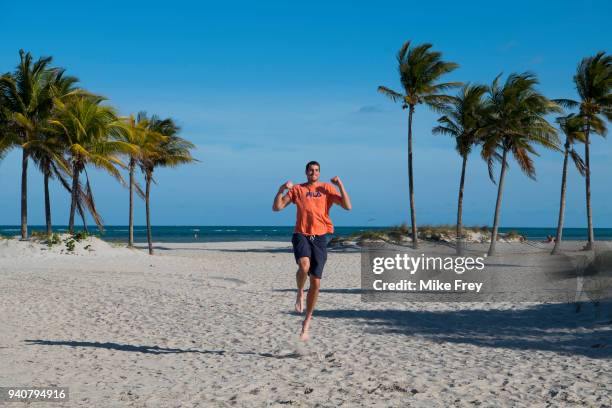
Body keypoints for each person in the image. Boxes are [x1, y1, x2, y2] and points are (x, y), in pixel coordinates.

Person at [272, 161, 352, 341]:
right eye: (310, 170)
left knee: (316, 283)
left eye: (316, 171)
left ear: (319, 173)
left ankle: (306, 323)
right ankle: (300, 291)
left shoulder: (326, 188)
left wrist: (340, 185)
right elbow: (277, 208)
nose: (313, 173)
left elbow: (347, 206)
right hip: (301, 234)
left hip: (320, 237)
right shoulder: (298, 190)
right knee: (304, 265)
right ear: (306, 172)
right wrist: (281, 190)